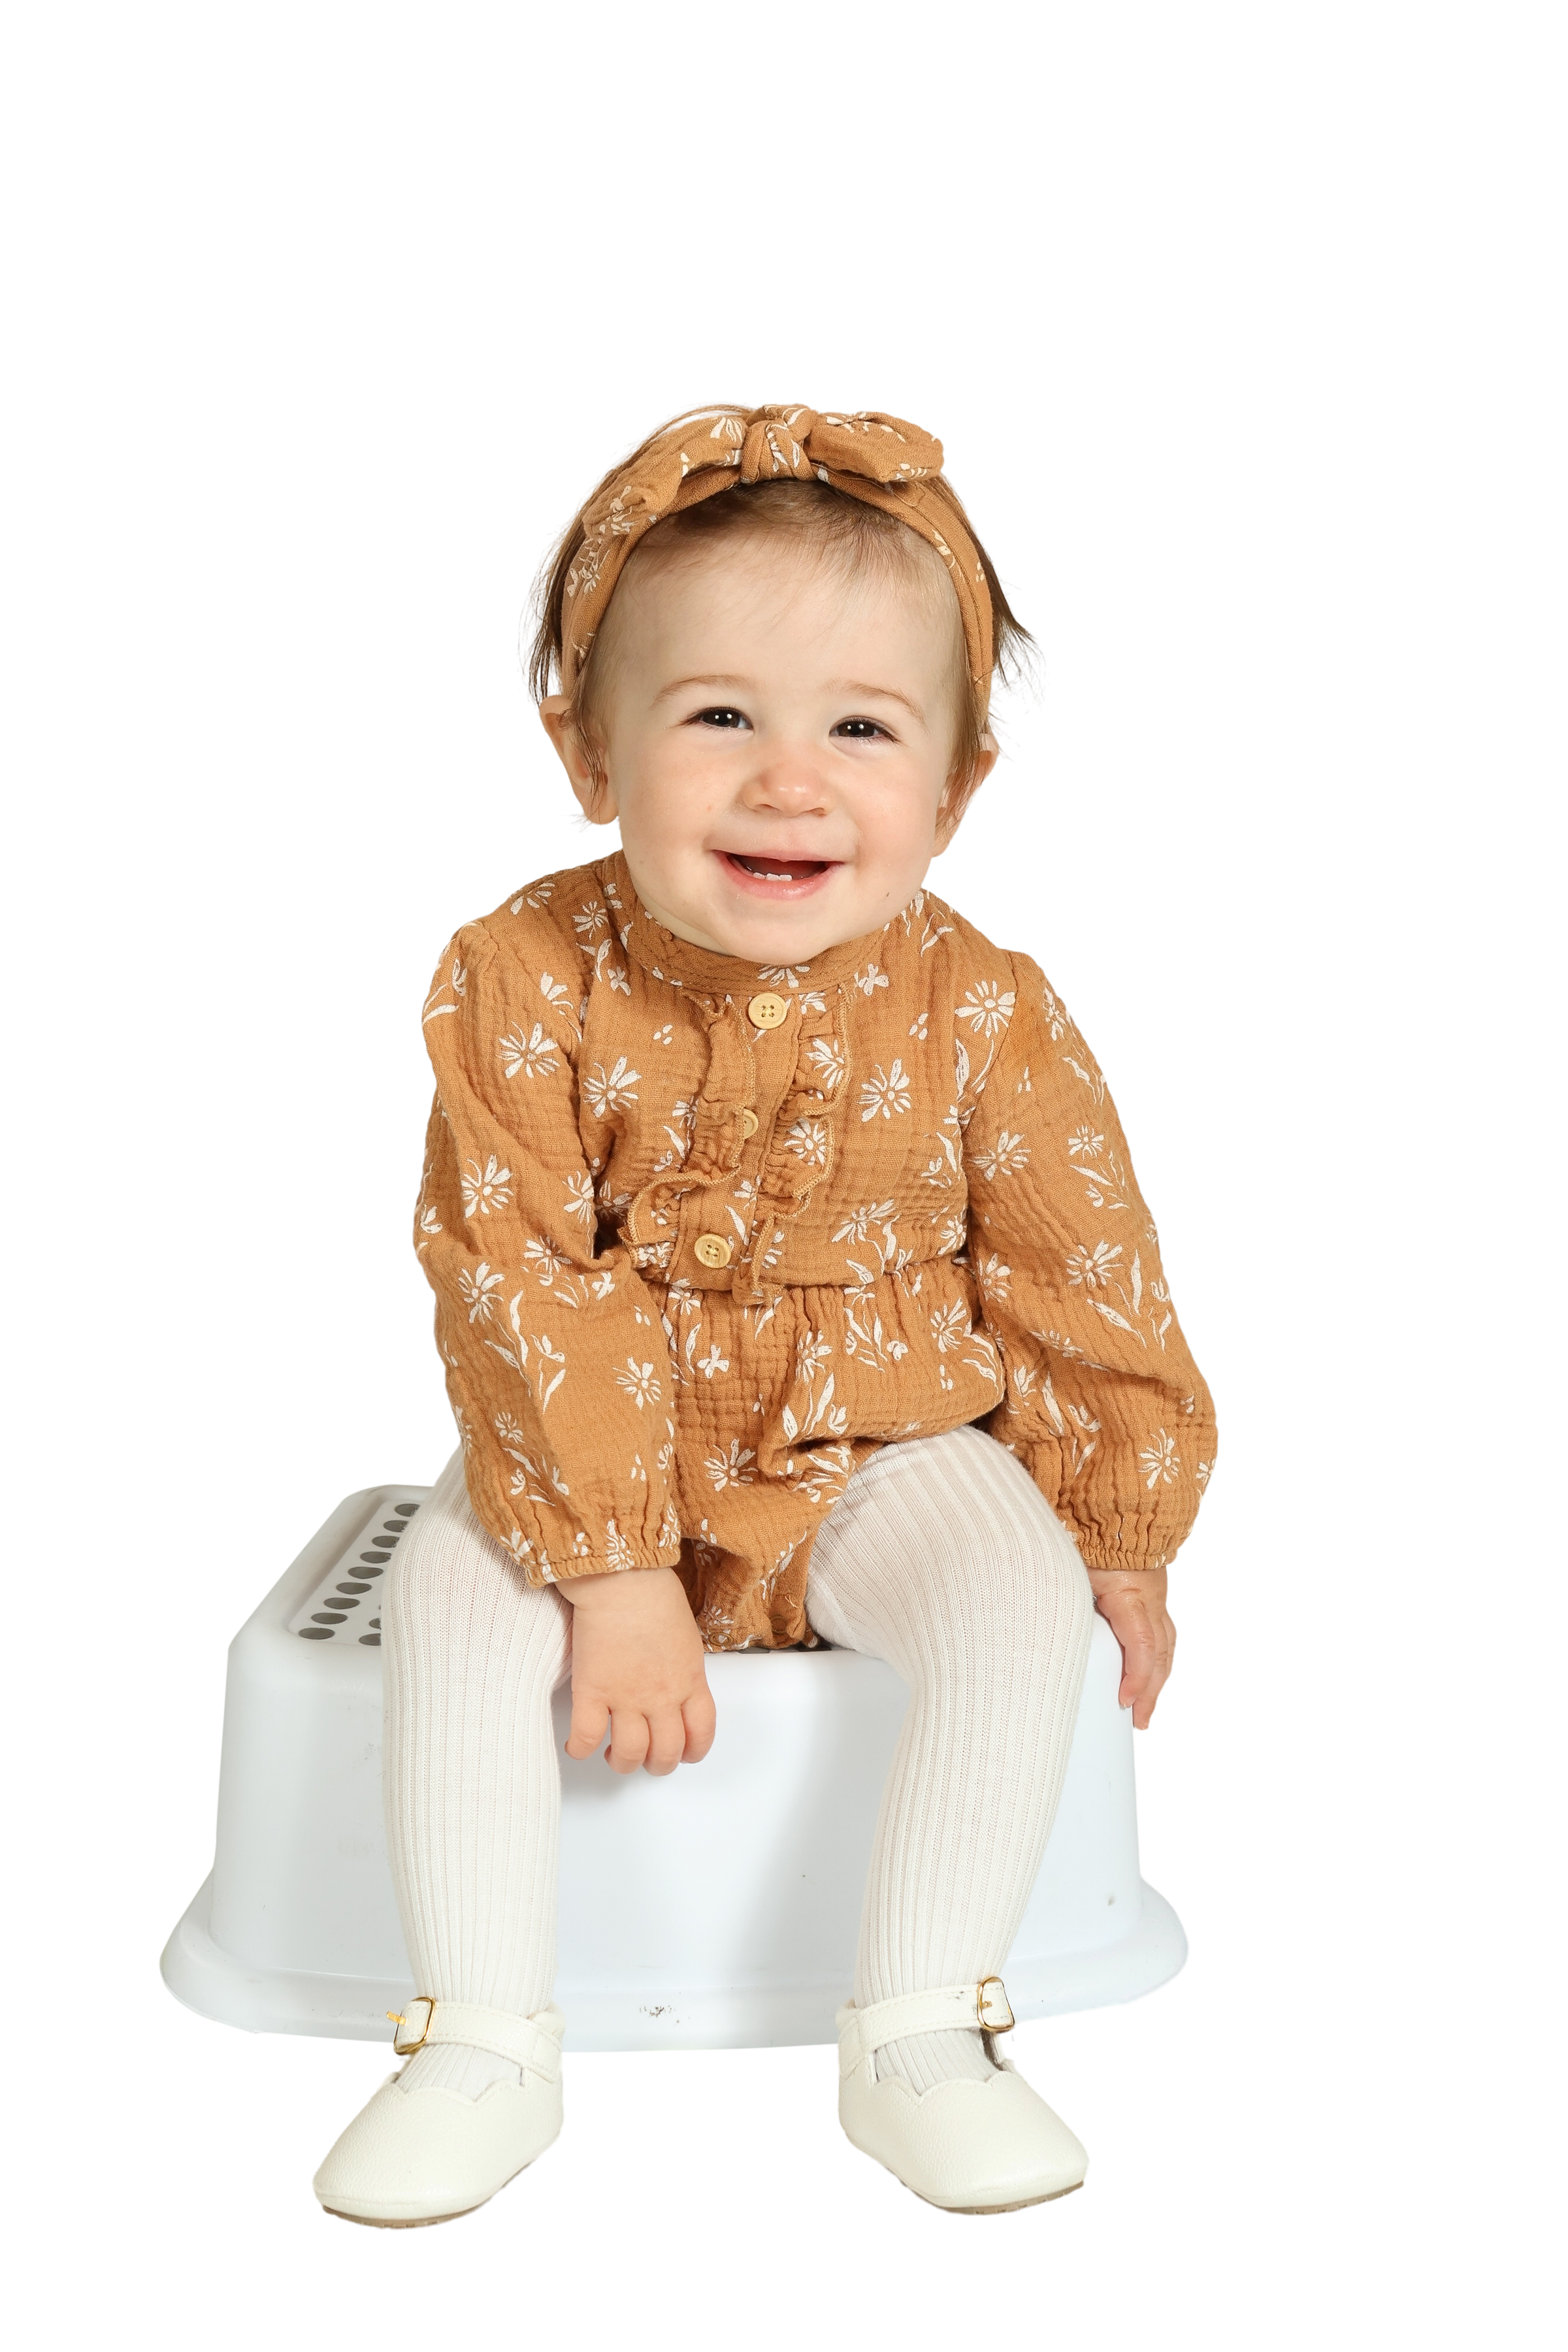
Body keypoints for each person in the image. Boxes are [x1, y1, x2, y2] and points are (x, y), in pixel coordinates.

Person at [310, 401, 1219, 2229]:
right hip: (583, 1443)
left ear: (956, 787)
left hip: (885, 1432)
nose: (789, 783)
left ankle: (923, 2029)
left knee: (1013, 1607)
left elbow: (1080, 1268)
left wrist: (1122, 1529)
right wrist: (610, 1567)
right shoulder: (516, 976)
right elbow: (511, 1273)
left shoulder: (987, 1005)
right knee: (452, 1609)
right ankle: (481, 2036)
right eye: (719, 716)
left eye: (861, 729)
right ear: (587, 749)